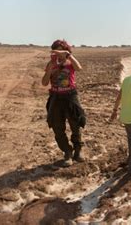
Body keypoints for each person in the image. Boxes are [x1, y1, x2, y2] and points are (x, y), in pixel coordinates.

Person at [42, 39, 86, 167]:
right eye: (56, 50)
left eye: (61, 50)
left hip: (70, 96)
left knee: (76, 124)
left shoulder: (69, 61)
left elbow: (79, 68)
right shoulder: (51, 64)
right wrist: (50, 68)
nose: (59, 53)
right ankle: (67, 152)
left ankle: (78, 150)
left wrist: (69, 55)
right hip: (55, 97)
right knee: (57, 127)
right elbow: (44, 83)